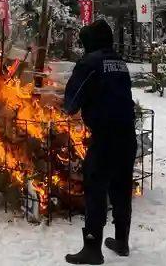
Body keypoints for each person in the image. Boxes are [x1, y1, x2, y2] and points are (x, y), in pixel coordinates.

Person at [63, 20, 137, 265]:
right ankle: (122, 241)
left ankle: (92, 248)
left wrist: (67, 104)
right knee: (121, 187)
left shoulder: (90, 64)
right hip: (127, 134)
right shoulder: (120, 63)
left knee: (96, 188)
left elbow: (72, 101)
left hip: (104, 137)